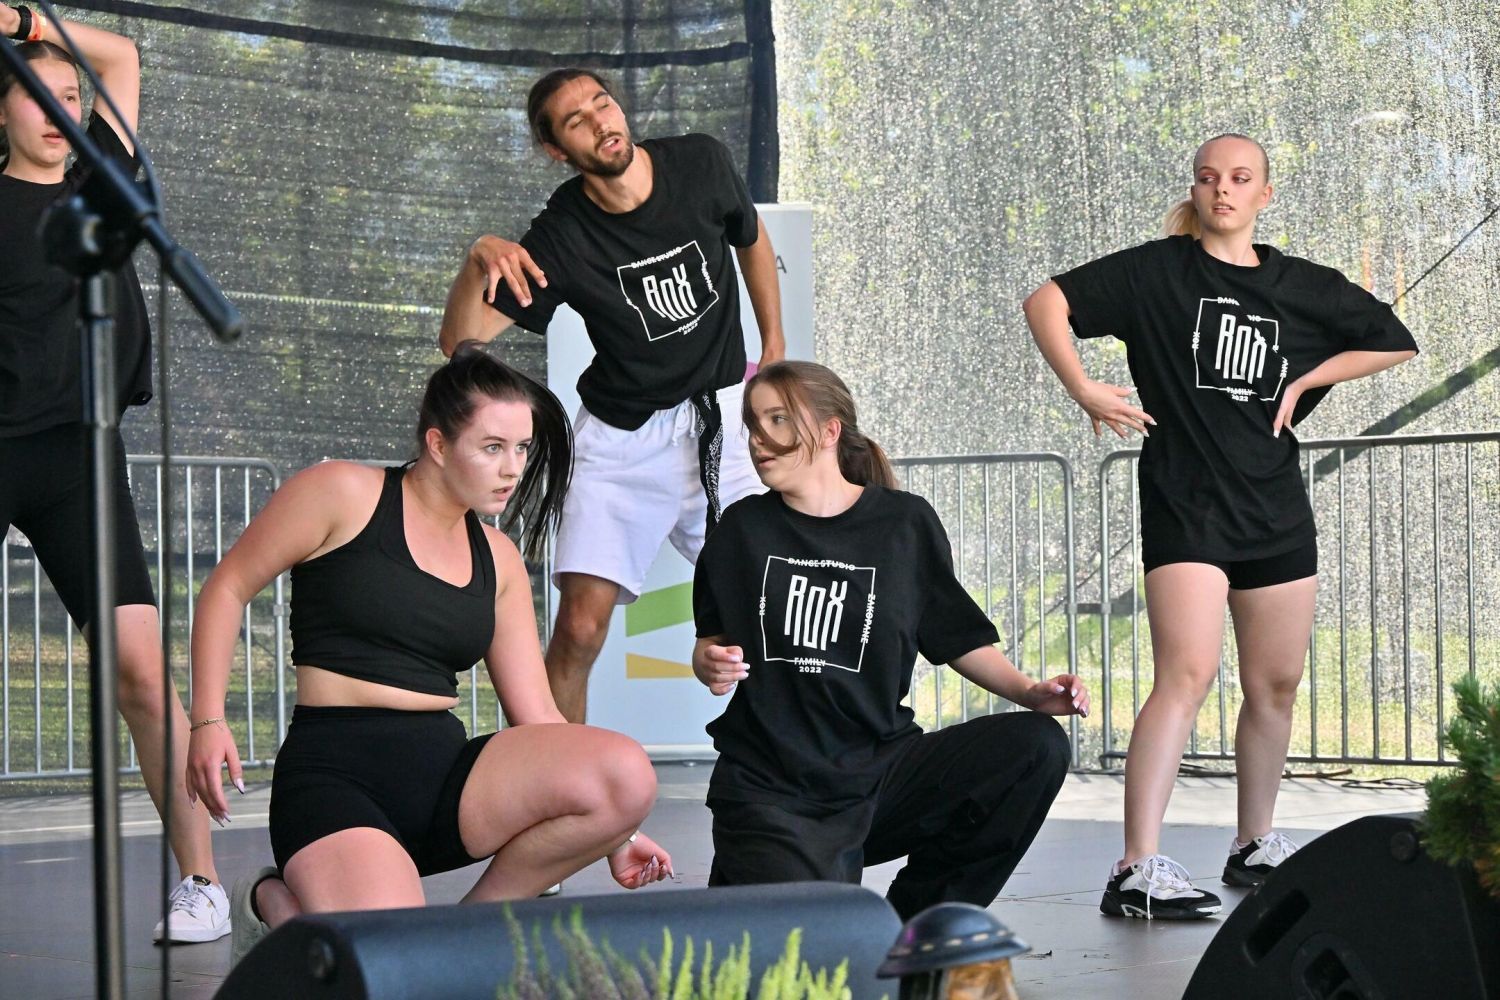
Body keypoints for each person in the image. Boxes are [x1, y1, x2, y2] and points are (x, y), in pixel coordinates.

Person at [1024, 133, 1418, 919]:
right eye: (1209, 178)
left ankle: (1253, 842)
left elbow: (1394, 341)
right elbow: (1047, 301)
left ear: (1264, 194)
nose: (1223, 189)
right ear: (1196, 191)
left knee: (1276, 684)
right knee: (1187, 674)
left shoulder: (1300, 285)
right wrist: (1084, 388)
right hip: (1187, 502)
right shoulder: (1156, 272)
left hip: (1275, 508)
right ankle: (1135, 865)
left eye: (1240, 178)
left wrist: (1307, 378)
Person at [185, 347, 673, 966]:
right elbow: (227, 587)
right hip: (336, 776)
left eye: (522, 449)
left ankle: (465, 933)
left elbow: (540, 718)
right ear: (438, 444)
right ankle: (272, 903)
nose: (512, 468)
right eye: (492, 447)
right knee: (390, 963)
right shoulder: (342, 492)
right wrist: (208, 720)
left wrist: (619, 833)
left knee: (626, 773)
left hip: (445, 779)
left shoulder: (498, 558)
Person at [439, 67, 784, 723]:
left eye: (603, 104)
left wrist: (774, 341)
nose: (601, 122)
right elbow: (459, 338)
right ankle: (553, 773)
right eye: (577, 121)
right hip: (623, 439)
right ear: (557, 150)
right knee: (579, 629)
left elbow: (750, 236)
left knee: (777, 599)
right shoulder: (561, 234)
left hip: (722, 421)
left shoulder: (701, 162)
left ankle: (801, 763)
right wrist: (478, 256)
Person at [690, 360, 1087, 921]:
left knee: (1035, 748)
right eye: (754, 424)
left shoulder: (905, 524)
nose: (759, 439)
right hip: (773, 787)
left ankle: (914, 932)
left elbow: (954, 634)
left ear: (830, 430)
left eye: (778, 419)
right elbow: (709, 642)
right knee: (813, 948)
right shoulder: (740, 529)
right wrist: (709, 664)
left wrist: (1028, 692)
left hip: (879, 772)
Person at [0, 5, 230, 943]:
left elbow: (122, 56)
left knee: (140, 672)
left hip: (79, 452)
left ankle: (202, 884)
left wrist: (21, 18)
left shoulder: (105, 183)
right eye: (36, 94)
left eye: (70, 95)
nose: (60, 109)